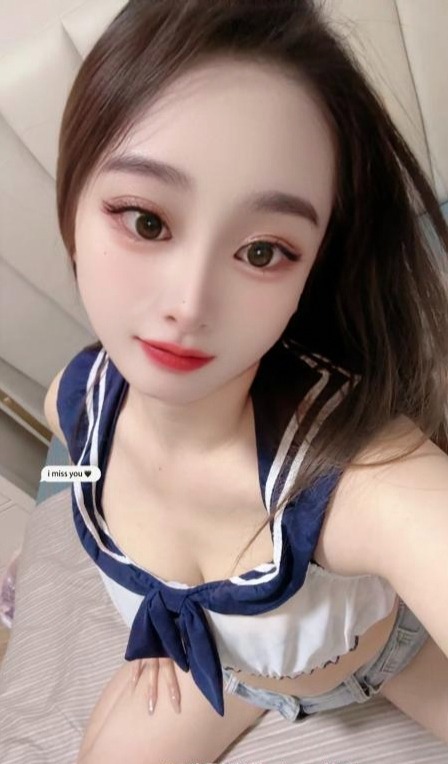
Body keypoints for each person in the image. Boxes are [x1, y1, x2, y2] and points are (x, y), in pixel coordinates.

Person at [44, 0, 448, 761]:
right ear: (71, 209)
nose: (190, 305)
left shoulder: (356, 475)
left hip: (393, 657)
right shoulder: (73, 401)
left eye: (263, 252)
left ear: (311, 268)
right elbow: (69, 466)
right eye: (147, 220)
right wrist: (84, 483)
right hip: (225, 671)